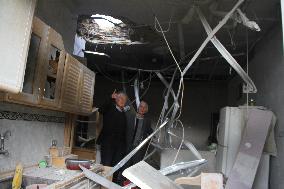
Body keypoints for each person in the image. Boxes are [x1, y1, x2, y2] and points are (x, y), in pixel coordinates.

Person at [95, 90, 128, 183]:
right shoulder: (110, 107)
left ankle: (111, 185)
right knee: (106, 166)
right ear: (116, 99)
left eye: (124, 99)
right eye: (120, 98)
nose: (122, 100)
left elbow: (124, 132)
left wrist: (124, 148)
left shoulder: (124, 114)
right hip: (108, 144)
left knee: (116, 167)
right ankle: (103, 185)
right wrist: (110, 98)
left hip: (119, 147)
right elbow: (100, 110)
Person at [126, 101, 153, 165]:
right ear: (138, 107)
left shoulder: (147, 121)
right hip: (127, 147)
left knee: (135, 166)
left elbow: (150, 131)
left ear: (147, 110)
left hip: (139, 149)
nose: (142, 109)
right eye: (141, 106)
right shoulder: (130, 117)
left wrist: (154, 136)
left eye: (144, 107)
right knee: (125, 167)